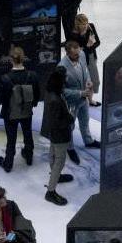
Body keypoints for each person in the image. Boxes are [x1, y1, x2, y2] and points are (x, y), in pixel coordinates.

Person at [0, 47, 38, 171]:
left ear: (11, 60)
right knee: (28, 134)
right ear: (23, 58)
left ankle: (8, 164)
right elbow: (37, 94)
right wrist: (30, 104)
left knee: (11, 139)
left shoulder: (4, 78)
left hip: (10, 113)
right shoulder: (33, 75)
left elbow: (1, 99)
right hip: (27, 111)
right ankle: (29, 157)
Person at [40, 68, 74, 205]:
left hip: (54, 134)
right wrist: (70, 118)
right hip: (60, 135)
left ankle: (57, 176)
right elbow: (57, 122)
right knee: (59, 160)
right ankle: (51, 191)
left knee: (53, 155)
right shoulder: (55, 100)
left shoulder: (50, 94)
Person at [58, 40, 98, 149]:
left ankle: (88, 141)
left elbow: (85, 70)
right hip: (71, 103)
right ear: (67, 53)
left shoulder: (81, 54)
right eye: (75, 55)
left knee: (85, 121)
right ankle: (69, 147)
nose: (78, 56)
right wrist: (80, 93)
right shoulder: (61, 67)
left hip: (84, 99)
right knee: (70, 126)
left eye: (78, 53)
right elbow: (61, 91)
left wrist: (88, 81)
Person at [72, 14, 101, 96]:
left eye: (86, 23)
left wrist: (88, 47)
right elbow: (76, 49)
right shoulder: (74, 34)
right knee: (83, 81)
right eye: (83, 24)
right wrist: (87, 45)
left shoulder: (90, 27)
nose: (85, 26)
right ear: (78, 25)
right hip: (80, 59)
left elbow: (98, 42)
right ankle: (86, 98)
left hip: (91, 56)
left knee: (95, 81)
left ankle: (91, 97)